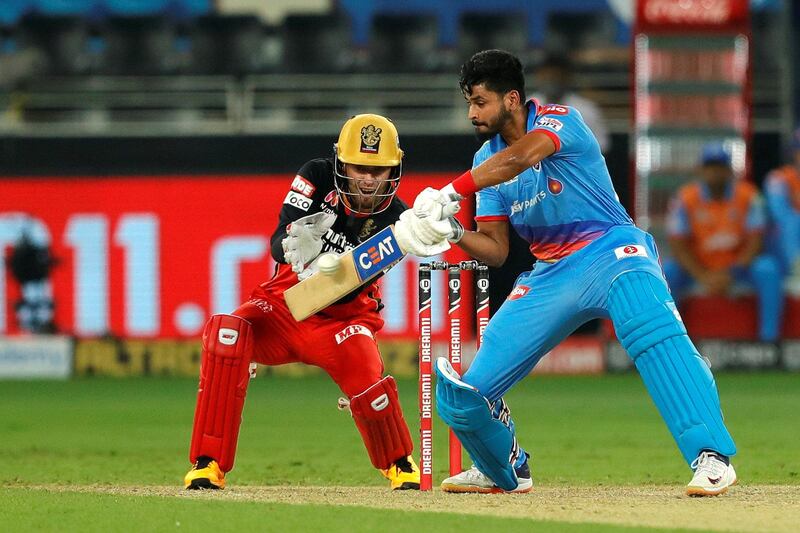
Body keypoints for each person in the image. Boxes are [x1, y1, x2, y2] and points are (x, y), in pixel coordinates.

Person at [394, 50, 738, 497]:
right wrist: (454, 229)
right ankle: (504, 467)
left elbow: (520, 159)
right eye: (469, 103)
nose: (472, 113)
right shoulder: (486, 158)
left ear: (512, 99)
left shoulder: (560, 120)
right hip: (550, 273)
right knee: (465, 394)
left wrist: (451, 191)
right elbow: (496, 252)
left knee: (650, 331)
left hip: (611, 250)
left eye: (480, 102)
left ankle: (711, 457)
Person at [184, 114, 421, 491]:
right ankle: (207, 463)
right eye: (361, 167)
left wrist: (327, 267)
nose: (368, 180)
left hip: (341, 320)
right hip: (283, 306)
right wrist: (294, 247)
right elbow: (279, 238)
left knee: (366, 375)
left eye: (380, 170)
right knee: (226, 334)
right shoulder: (316, 175)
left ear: (395, 169)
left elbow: (347, 289)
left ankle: (399, 462)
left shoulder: (399, 221)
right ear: (341, 163)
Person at [663, 142, 783, 342]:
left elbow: (756, 241)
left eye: (719, 166)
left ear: (729, 170)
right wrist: (703, 276)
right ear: (701, 170)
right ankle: (671, 341)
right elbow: (678, 245)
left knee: (768, 268)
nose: (714, 172)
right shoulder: (685, 198)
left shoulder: (749, 195)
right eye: (710, 166)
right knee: (668, 271)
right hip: (699, 269)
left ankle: (769, 342)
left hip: (739, 269)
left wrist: (731, 274)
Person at [532, 52, 610, 153]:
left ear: (567, 77)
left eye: (556, 76)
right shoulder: (527, 107)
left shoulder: (586, 110)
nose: (551, 80)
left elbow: (602, 147)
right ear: (539, 76)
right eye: (547, 75)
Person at [764, 128, 800, 290]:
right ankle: (796, 264)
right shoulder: (778, 178)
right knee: (793, 221)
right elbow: (781, 215)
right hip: (782, 247)